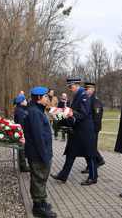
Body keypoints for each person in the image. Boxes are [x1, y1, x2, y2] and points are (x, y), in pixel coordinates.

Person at [50, 78, 98, 186]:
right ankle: (63, 175)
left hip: (85, 131)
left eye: (70, 86)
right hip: (77, 130)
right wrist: (60, 114)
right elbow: (72, 112)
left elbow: (83, 113)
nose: (69, 89)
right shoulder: (77, 95)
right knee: (71, 153)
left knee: (89, 155)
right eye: (69, 87)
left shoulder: (83, 95)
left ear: (76, 85)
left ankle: (93, 177)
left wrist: (71, 113)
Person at [24, 86, 57, 218]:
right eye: (45, 97)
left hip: (41, 153)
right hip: (38, 154)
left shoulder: (38, 110)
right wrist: (44, 156)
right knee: (38, 178)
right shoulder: (34, 113)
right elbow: (38, 137)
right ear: (38, 98)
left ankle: (42, 201)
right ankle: (38, 207)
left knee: (41, 178)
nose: (48, 98)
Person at [81, 82, 105, 174]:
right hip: (89, 128)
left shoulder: (95, 100)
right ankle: (98, 161)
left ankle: (94, 164)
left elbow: (97, 117)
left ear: (93, 90)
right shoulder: (87, 99)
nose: (86, 91)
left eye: (88, 89)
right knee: (90, 147)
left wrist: (94, 129)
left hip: (94, 128)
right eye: (85, 89)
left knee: (91, 148)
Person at [13, 94, 30, 172]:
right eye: (25, 100)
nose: (26, 101)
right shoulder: (20, 111)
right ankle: (23, 166)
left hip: (20, 132)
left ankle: (22, 165)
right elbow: (21, 123)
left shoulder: (20, 109)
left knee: (22, 149)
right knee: (22, 149)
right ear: (21, 102)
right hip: (21, 133)